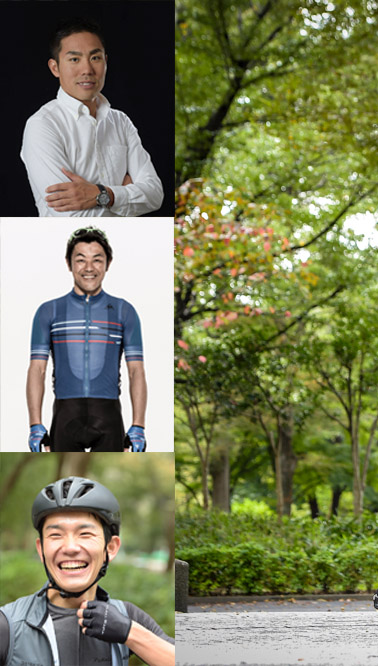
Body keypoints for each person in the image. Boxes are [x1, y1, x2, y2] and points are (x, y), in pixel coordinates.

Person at [0, 476, 175, 665]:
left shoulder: (126, 615)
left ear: (111, 548)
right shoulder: (8, 625)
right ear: (41, 549)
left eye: (85, 534)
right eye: (55, 535)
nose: (70, 547)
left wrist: (129, 633)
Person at [20, 19, 164, 217]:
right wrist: (125, 194)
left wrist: (103, 195)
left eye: (95, 58)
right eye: (74, 59)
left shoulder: (120, 122)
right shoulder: (43, 125)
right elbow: (70, 217)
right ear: (55, 67)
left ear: (106, 61)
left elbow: (155, 195)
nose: (87, 70)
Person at [27, 227, 147, 453]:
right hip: (65, 415)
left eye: (97, 260)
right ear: (69, 263)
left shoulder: (124, 311)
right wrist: (35, 423)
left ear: (108, 264)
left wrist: (138, 425)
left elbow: (136, 371)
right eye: (81, 260)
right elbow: (37, 369)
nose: (89, 268)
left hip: (109, 416)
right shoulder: (48, 311)